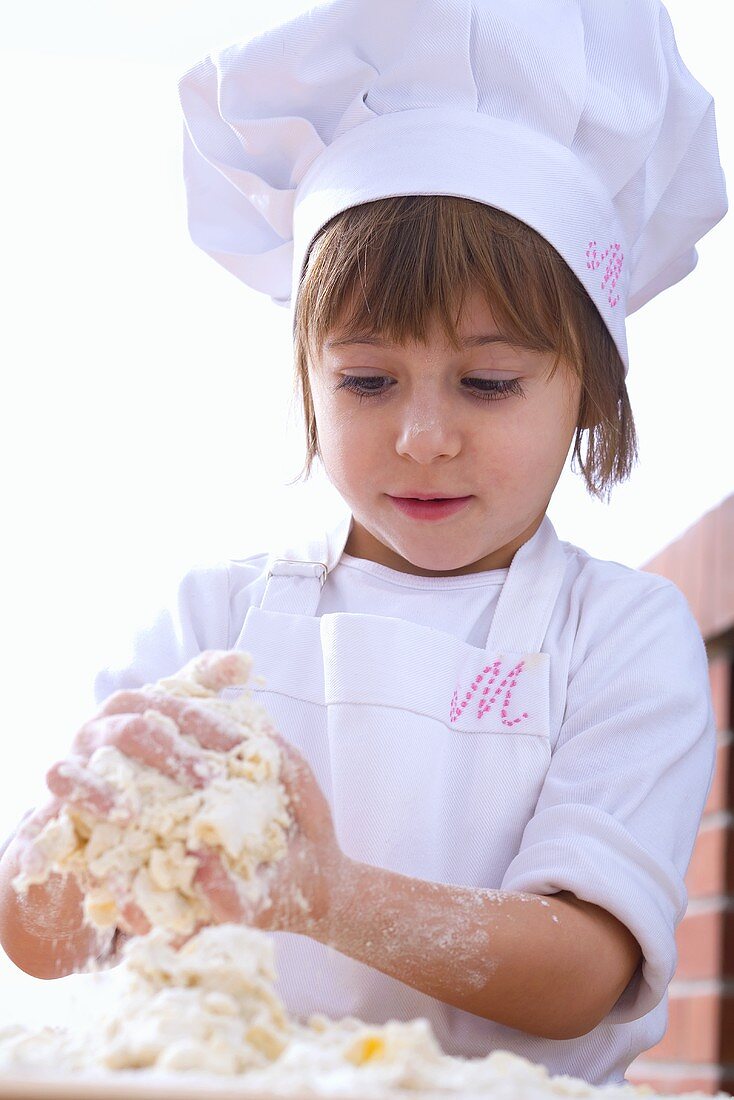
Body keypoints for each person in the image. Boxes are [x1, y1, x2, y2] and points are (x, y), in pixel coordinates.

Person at [0, 0, 728, 1087]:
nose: (422, 436)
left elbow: (582, 965)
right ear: (305, 378)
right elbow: (45, 940)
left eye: (486, 382)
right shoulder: (212, 621)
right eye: (365, 379)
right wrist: (60, 854)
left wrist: (323, 890)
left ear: (588, 387)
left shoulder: (615, 636)